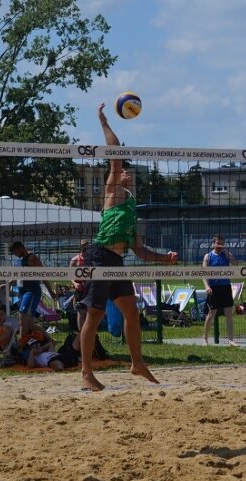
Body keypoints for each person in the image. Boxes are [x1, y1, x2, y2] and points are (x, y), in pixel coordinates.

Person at [77, 102, 178, 391]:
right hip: (99, 255)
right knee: (94, 315)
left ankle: (137, 363)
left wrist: (165, 259)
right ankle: (86, 371)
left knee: (132, 312)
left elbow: (140, 251)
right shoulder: (113, 192)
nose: (124, 173)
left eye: (127, 171)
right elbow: (115, 154)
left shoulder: (132, 208)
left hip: (117, 261)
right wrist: (103, 121)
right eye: (121, 171)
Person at [9, 241, 55, 339]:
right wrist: (9, 282)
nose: (15, 255)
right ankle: (50, 340)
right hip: (23, 291)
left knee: (22, 319)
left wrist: (51, 292)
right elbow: (21, 274)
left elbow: (43, 275)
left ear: (21, 248)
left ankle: (21, 345)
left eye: (15, 252)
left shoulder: (32, 258)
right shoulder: (22, 259)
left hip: (31, 291)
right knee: (29, 323)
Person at [201, 235, 239, 347]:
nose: (220, 246)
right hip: (214, 288)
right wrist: (207, 286)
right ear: (213, 243)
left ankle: (230, 340)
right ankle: (205, 338)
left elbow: (236, 264)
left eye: (222, 243)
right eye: (218, 243)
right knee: (211, 313)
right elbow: (204, 273)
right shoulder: (208, 256)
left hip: (225, 286)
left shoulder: (226, 254)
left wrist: (227, 252)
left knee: (228, 313)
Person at [69, 239, 91, 331]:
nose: (86, 251)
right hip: (80, 289)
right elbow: (70, 275)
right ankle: (81, 333)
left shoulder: (92, 259)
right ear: (81, 248)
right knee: (81, 311)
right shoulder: (75, 260)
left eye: (87, 248)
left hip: (90, 288)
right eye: (84, 249)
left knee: (90, 312)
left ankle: (89, 332)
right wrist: (75, 283)